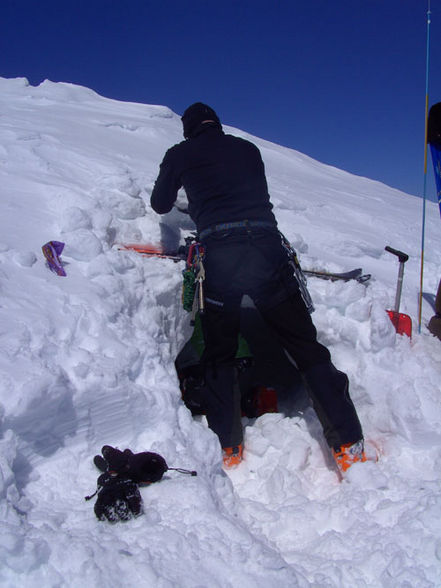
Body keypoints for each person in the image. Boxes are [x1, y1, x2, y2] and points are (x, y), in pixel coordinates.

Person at [151, 102, 367, 473]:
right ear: (216, 124)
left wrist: (196, 202)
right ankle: (348, 442)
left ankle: (228, 446)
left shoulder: (179, 154)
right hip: (267, 252)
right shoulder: (248, 150)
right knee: (304, 346)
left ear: (187, 129)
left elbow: (160, 204)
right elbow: (241, 193)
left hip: (220, 257)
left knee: (219, 352)